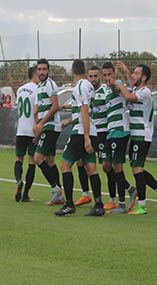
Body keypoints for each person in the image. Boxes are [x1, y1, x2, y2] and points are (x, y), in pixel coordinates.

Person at [116, 62, 157, 215]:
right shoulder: (137, 88)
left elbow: (127, 95)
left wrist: (119, 84)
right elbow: (131, 84)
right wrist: (126, 71)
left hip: (142, 135)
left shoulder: (145, 91)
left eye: (137, 73)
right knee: (137, 168)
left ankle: (142, 206)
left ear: (144, 78)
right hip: (136, 135)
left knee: (137, 169)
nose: (133, 75)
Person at [55, 59, 105, 216]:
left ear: (72, 71)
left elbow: (84, 110)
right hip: (92, 130)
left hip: (82, 132)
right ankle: (98, 205)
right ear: (84, 71)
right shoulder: (88, 86)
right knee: (91, 168)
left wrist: (86, 138)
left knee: (65, 164)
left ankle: (69, 204)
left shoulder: (80, 86)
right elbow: (81, 108)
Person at [103, 61, 138, 214]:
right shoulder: (105, 89)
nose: (107, 77)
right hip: (111, 131)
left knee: (117, 167)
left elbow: (118, 88)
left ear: (114, 73)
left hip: (120, 131)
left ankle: (122, 204)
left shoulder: (117, 85)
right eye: (104, 75)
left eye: (109, 74)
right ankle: (131, 190)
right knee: (109, 166)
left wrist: (116, 80)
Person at [33, 58, 65, 206]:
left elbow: (55, 106)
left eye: (44, 69)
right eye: (39, 69)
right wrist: (38, 128)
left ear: (48, 70)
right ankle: (59, 196)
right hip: (46, 126)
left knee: (37, 158)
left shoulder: (50, 84)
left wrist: (41, 123)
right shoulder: (40, 86)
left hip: (51, 126)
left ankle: (55, 189)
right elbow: (40, 110)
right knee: (50, 162)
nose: (41, 72)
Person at [13, 66, 39, 202]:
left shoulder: (20, 89)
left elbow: (18, 111)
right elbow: (36, 111)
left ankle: (18, 180)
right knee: (31, 162)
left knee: (19, 159)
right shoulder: (37, 89)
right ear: (35, 74)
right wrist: (37, 129)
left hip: (21, 130)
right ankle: (26, 194)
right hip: (32, 130)